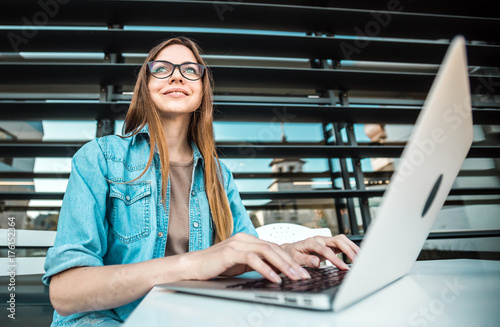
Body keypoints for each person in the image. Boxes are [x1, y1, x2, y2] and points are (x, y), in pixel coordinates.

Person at [43, 37, 360, 327]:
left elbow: (241, 254)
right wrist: (193, 263)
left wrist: (286, 252)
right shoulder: (100, 157)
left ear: (203, 89)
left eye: (190, 70)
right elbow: (66, 293)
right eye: (162, 68)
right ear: (145, 85)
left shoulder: (219, 175)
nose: (177, 76)